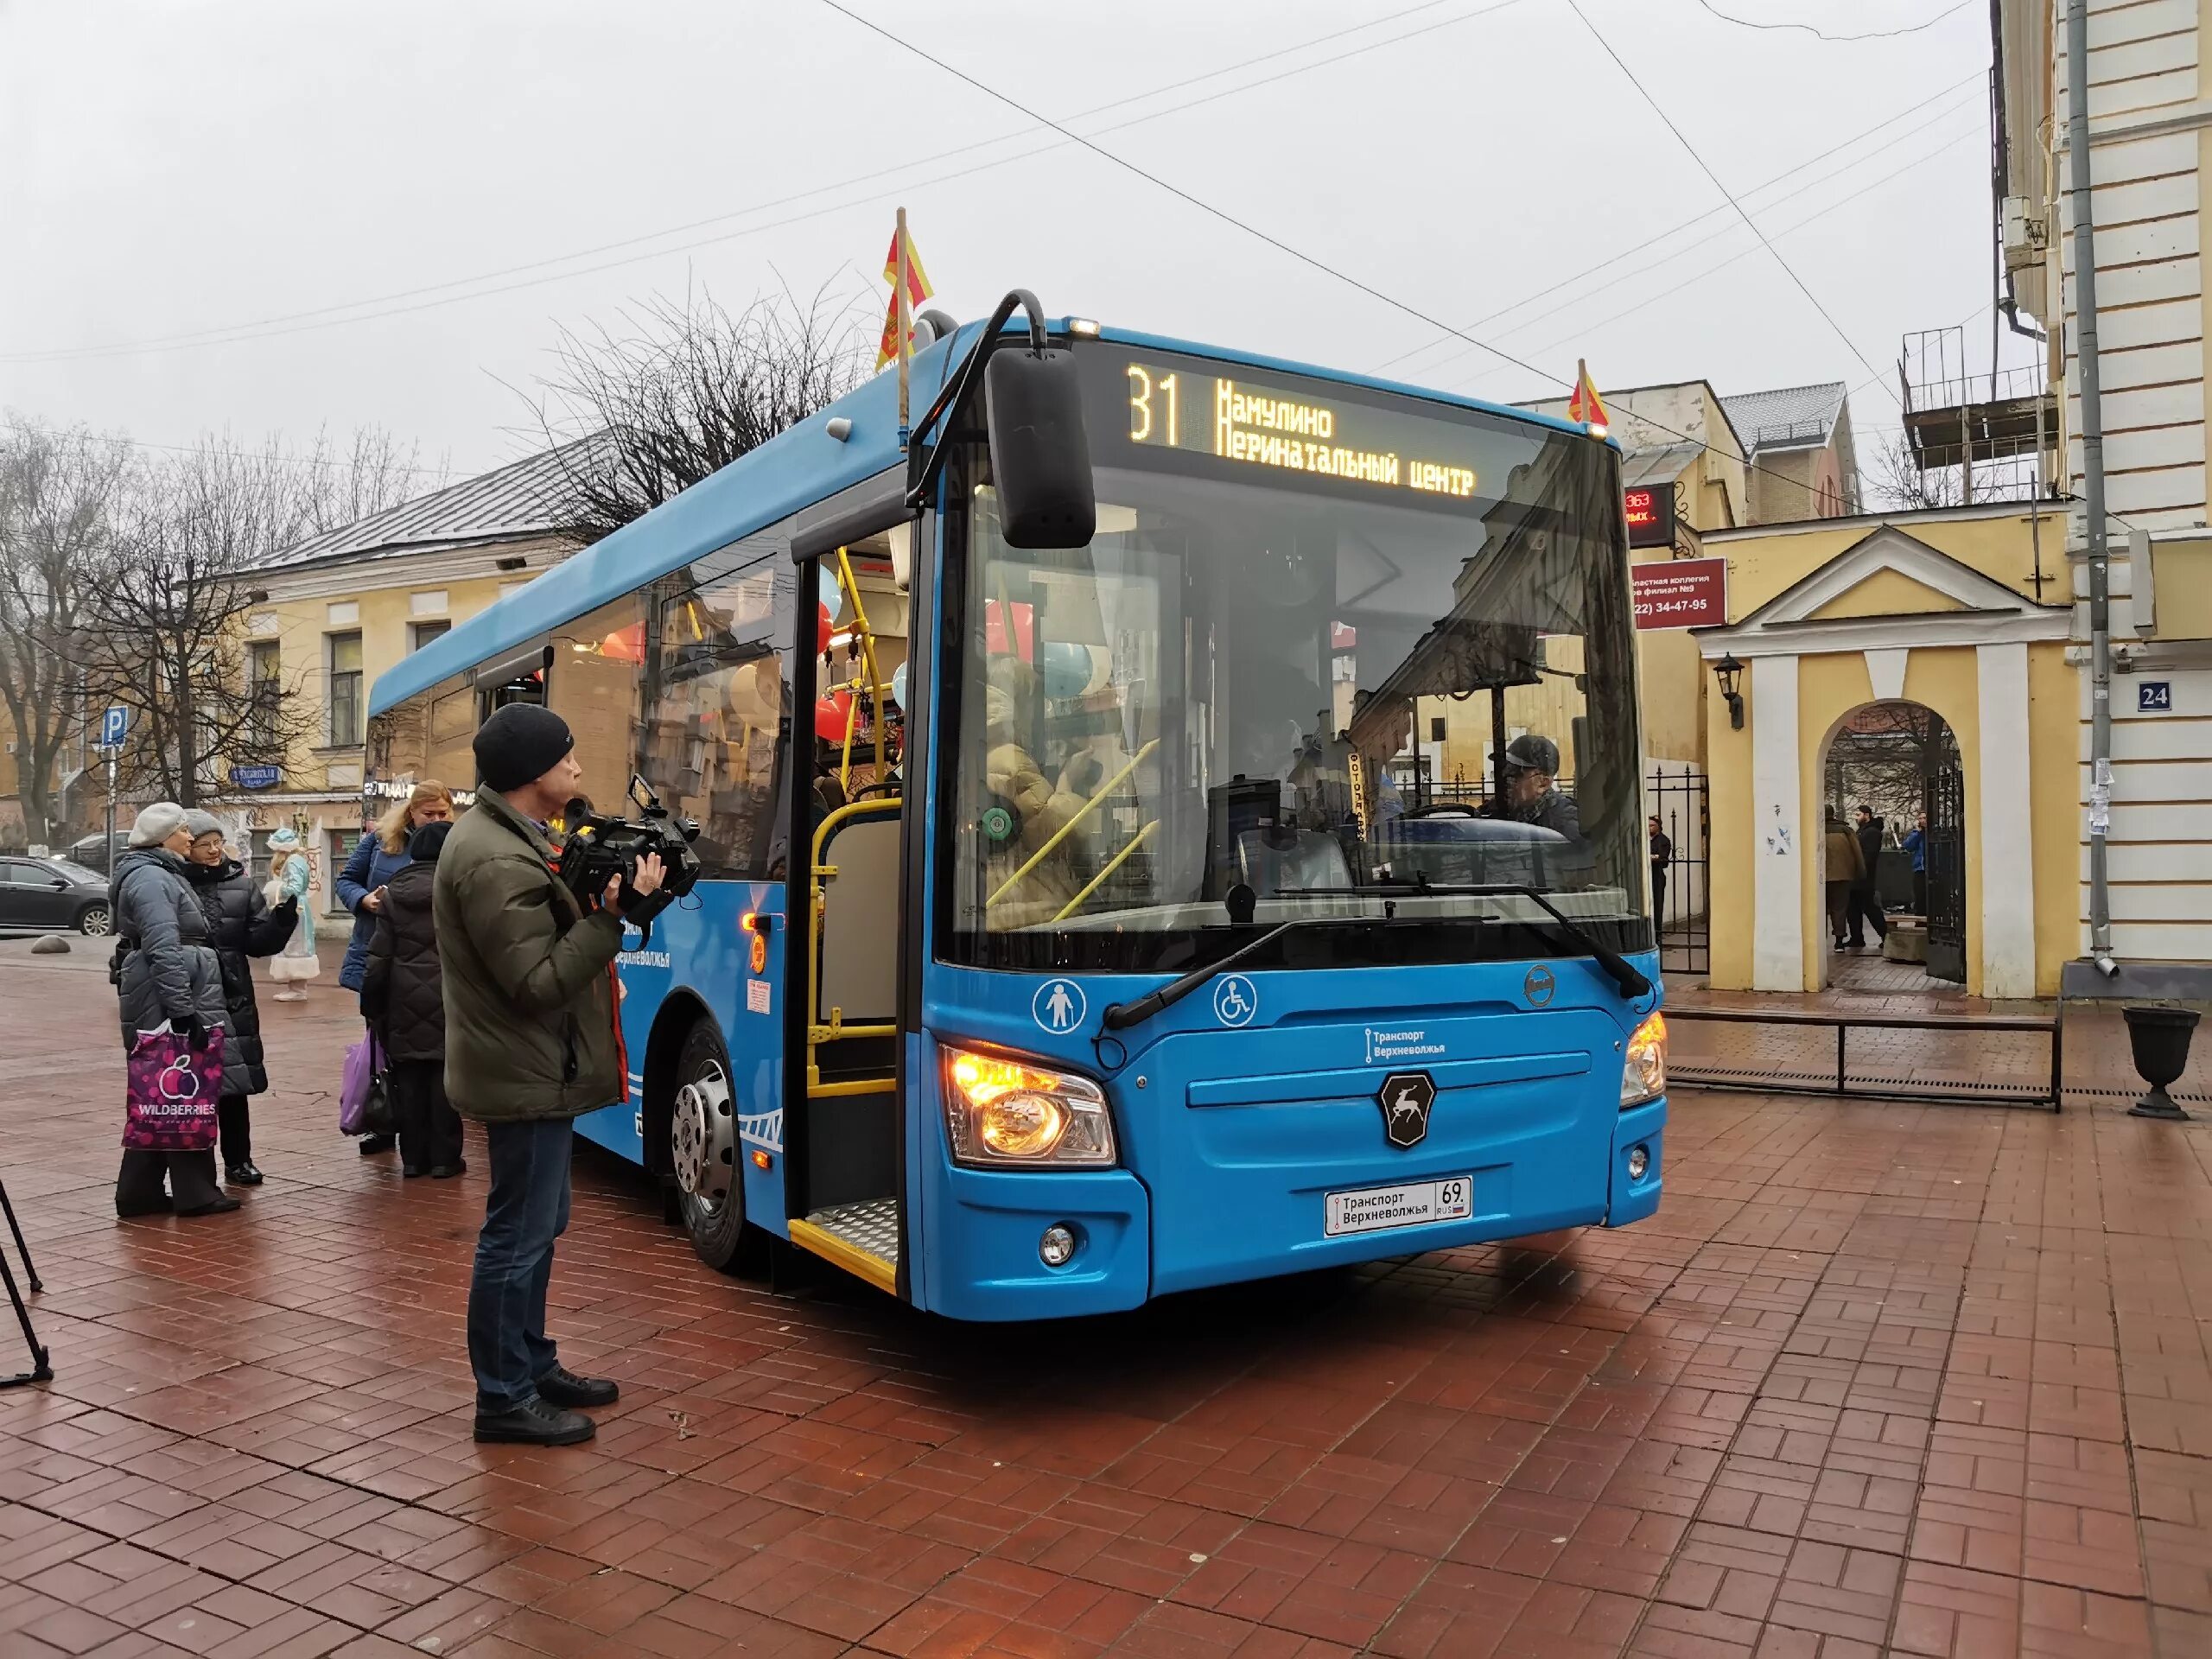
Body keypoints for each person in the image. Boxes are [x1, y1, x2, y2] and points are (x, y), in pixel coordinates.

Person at [436, 704, 664, 1446]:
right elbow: (533, 982)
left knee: (540, 1224)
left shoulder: (509, 838)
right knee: (517, 1235)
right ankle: (502, 1396)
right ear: (535, 772)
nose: (576, 766)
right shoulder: (496, 857)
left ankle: (530, 1364)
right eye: (565, 756)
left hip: (532, 1064)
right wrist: (614, 918)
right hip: (524, 1068)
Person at [110, 804, 240, 1218]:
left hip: (163, 988)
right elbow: (163, 946)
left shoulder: (156, 872)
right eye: (183, 831)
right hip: (167, 992)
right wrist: (183, 1012)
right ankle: (195, 1192)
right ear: (163, 837)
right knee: (181, 1089)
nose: (190, 838)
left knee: (159, 1090)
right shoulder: (151, 877)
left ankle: (138, 1192)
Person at [181, 811, 297, 1186]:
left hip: (232, 996)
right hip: (190, 993)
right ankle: (190, 1171)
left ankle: (239, 1160)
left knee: (232, 1085)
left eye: (218, 842)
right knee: (186, 1083)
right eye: (205, 844)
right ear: (187, 847)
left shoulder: (240, 884)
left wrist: (280, 923)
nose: (215, 850)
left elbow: (256, 943)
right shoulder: (173, 883)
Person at [338, 781, 454, 1154]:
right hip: (381, 955)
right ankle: (384, 1120)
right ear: (411, 812)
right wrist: (364, 900)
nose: (435, 820)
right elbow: (346, 880)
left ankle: (424, 1132)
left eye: (442, 813)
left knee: (432, 1052)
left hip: (432, 962)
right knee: (382, 1043)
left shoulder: (454, 842)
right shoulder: (379, 842)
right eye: (428, 814)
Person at [362, 818, 466, 1179]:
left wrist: (372, 1006)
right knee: (445, 1079)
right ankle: (445, 1158)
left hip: (402, 1000)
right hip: (450, 998)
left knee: (408, 1080)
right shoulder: (459, 890)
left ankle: (412, 1160)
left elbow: (378, 958)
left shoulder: (392, 894)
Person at [1484, 734, 1580, 838]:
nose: (1505, 782)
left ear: (1543, 783)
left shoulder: (1565, 821)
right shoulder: (1497, 808)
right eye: (1503, 773)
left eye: (1514, 776)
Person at [264, 828, 318, 1000]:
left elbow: (293, 888)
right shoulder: (298, 860)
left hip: (294, 907)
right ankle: (296, 988)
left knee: (295, 945)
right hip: (298, 906)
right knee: (298, 945)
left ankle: (298, 990)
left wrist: (275, 888)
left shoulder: (292, 862)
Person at [1845, 804, 1889, 950]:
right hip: (1856, 877)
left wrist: (1859, 868)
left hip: (1864, 878)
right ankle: (1856, 938)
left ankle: (1886, 936)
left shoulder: (1872, 832)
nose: (1856, 818)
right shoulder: (1862, 831)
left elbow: (1869, 856)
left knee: (1870, 908)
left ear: (1867, 815)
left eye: (1859, 815)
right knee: (1853, 909)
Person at [1822, 805, 1864, 949]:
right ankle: (1839, 941)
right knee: (1839, 908)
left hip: (1820, 877)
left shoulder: (1814, 829)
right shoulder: (1846, 831)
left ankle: (1820, 941)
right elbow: (1857, 852)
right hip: (1843, 876)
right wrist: (1860, 873)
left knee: (1820, 909)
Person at [1648, 814, 1673, 931]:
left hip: (1657, 875)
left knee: (1657, 905)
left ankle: (1657, 934)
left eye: (1652, 825)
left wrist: (1650, 857)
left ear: (1658, 826)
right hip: (1645, 875)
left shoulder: (1663, 840)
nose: (1649, 828)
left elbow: (1663, 859)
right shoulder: (1644, 839)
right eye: (1647, 826)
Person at [1903, 810, 1929, 917]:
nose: (1923, 820)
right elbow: (1908, 846)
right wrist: (1917, 833)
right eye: (1920, 818)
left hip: (1934, 869)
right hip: (1920, 868)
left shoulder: (1935, 831)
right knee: (1920, 896)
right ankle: (1920, 921)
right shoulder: (1917, 833)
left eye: (1925, 818)